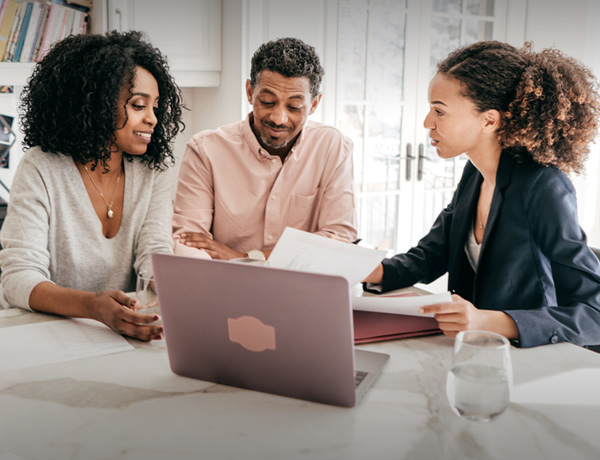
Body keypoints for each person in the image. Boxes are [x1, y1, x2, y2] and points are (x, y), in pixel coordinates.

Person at [364, 41, 600, 348]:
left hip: (528, 357)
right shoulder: (475, 174)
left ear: (489, 120)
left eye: (439, 111)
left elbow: (594, 313)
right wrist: (369, 269)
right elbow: (432, 254)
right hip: (473, 351)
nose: (427, 123)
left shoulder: (543, 186)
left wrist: (488, 321)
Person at [0, 31, 185, 341]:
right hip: (49, 335)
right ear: (96, 103)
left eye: (155, 107)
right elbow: (18, 279)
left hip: (124, 331)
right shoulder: (41, 167)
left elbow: (154, 251)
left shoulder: (154, 170)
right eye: (139, 106)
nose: (153, 119)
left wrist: (168, 284)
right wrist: (93, 306)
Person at [172, 37, 357, 260]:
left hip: (303, 288)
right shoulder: (205, 151)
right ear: (250, 92)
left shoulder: (334, 148)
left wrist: (246, 257)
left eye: (294, 107)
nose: (279, 118)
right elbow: (188, 242)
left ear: (314, 104)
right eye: (268, 101)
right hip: (225, 286)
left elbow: (340, 240)